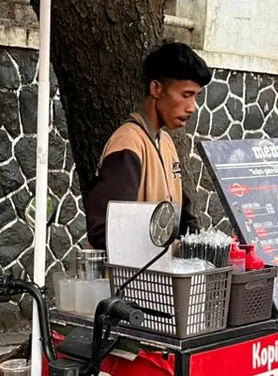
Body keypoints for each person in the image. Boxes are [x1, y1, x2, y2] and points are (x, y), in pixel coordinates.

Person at [84, 43, 208, 251]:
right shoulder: (128, 144)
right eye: (186, 95)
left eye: (196, 96)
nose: (192, 107)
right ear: (156, 89)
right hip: (129, 281)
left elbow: (183, 219)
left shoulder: (166, 142)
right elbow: (105, 231)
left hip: (161, 279)